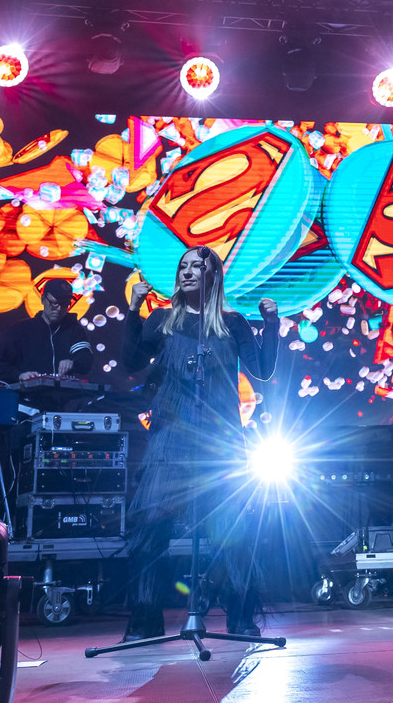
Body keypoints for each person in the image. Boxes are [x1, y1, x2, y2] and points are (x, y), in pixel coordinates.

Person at [119, 247, 278, 640]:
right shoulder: (163, 320)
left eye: (197, 266)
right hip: (171, 437)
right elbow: (131, 362)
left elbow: (262, 370)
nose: (187, 272)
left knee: (232, 531)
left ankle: (240, 618)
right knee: (149, 526)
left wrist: (271, 323)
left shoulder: (233, 324)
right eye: (183, 266)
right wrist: (133, 311)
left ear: (214, 275)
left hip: (220, 441)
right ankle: (144, 620)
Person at [0, 279, 92, 382]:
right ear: (43, 299)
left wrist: (74, 362)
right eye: (54, 303)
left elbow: (85, 358)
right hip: (27, 394)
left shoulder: (74, 329)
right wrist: (19, 375)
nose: (59, 309)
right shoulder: (20, 330)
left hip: (63, 395)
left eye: (64, 304)